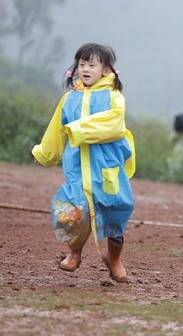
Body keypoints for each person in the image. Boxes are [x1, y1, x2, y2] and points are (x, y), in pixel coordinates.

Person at [32, 43, 135, 282]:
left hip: (106, 167)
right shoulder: (69, 99)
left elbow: (113, 125)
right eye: (82, 64)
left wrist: (76, 129)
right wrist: (44, 154)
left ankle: (115, 260)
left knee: (115, 210)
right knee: (74, 211)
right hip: (77, 167)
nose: (86, 69)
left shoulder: (114, 97)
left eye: (92, 64)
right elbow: (56, 129)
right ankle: (74, 253)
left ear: (106, 69)